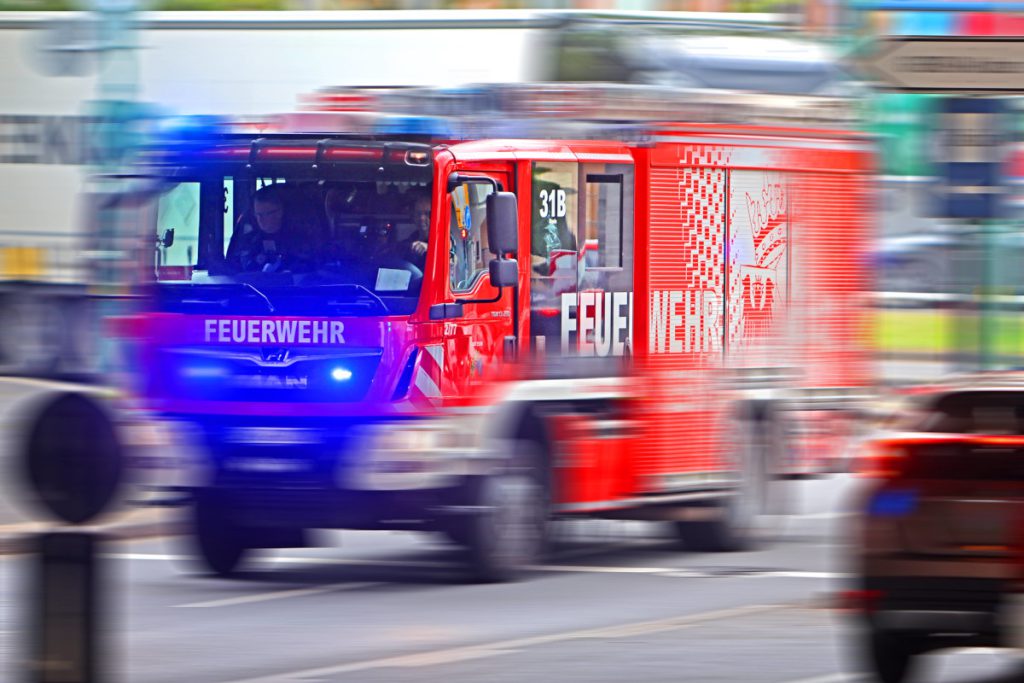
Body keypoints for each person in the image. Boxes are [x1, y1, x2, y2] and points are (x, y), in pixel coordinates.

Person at [226, 184, 313, 273]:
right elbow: (231, 268)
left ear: (279, 212)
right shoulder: (247, 239)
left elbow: (307, 270)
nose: (260, 219)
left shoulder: (298, 240)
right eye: (258, 214)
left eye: (265, 214)